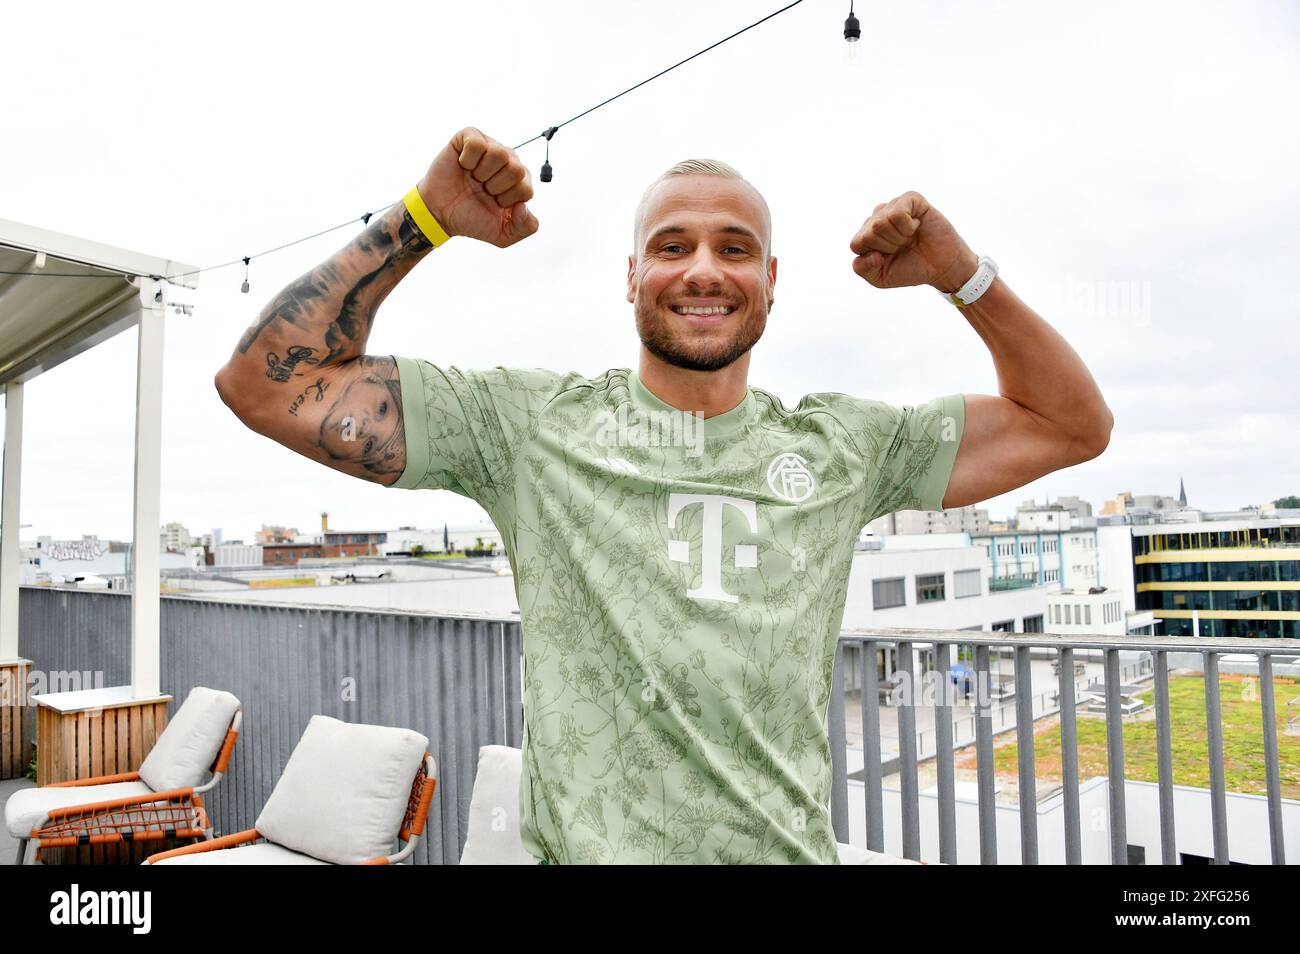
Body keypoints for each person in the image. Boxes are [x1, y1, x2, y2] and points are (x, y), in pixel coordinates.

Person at [215, 127, 1113, 864]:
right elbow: (262, 383)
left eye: (736, 249)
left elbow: (1073, 423)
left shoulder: (846, 445)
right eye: (671, 246)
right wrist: (421, 220)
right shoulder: (527, 427)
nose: (703, 271)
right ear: (631, 277)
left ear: (771, 282)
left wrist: (964, 277)